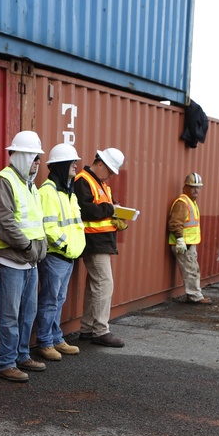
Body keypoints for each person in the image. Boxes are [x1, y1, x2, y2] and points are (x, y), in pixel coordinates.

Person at [0, 131, 48, 382]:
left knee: (27, 313)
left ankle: (21, 355)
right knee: (9, 314)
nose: (37, 163)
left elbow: (35, 221)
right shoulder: (5, 180)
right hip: (9, 260)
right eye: (34, 158)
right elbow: (3, 222)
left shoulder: (28, 184)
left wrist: (37, 249)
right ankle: (5, 362)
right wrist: (27, 247)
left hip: (28, 261)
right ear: (23, 156)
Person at [33, 143, 86, 362]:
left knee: (58, 299)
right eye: (72, 162)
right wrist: (66, 246)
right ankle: (45, 342)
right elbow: (49, 227)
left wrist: (73, 249)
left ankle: (55, 338)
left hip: (68, 257)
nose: (76, 165)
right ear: (62, 165)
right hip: (56, 256)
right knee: (49, 300)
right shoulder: (48, 192)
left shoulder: (67, 192)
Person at [74, 147, 127, 348]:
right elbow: (87, 211)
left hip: (101, 241)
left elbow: (104, 209)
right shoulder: (83, 180)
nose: (111, 176)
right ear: (100, 164)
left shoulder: (101, 184)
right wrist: (112, 209)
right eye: (110, 171)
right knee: (105, 284)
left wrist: (118, 214)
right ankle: (100, 330)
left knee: (94, 286)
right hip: (93, 242)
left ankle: (88, 329)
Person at [168, 172, 212, 304]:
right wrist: (180, 239)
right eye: (193, 187)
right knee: (191, 270)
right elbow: (175, 223)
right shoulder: (182, 203)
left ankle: (194, 295)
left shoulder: (191, 202)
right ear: (185, 187)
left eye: (198, 187)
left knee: (192, 269)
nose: (196, 190)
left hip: (188, 243)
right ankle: (195, 297)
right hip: (183, 243)